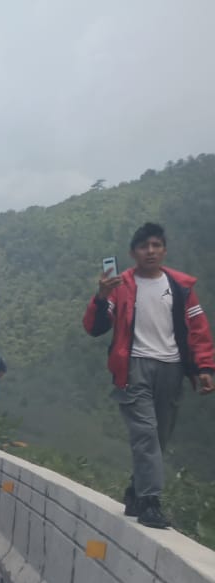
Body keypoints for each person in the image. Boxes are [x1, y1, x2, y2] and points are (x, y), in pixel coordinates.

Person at [83, 222, 215, 529]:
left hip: (172, 369)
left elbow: (198, 331)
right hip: (134, 368)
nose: (151, 251)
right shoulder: (121, 286)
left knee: (159, 437)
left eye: (156, 245)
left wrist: (205, 367)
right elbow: (95, 327)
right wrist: (101, 297)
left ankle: (135, 490)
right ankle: (151, 502)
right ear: (133, 253)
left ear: (164, 250)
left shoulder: (180, 287)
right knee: (145, 434)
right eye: (144, 246)